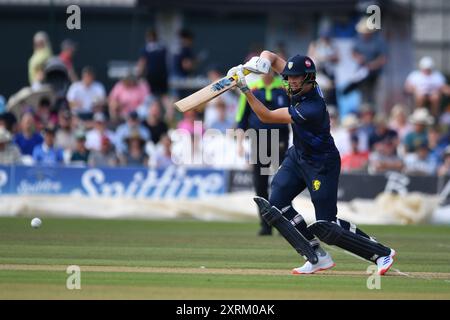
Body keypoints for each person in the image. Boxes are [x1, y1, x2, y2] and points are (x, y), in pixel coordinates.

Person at [227, 51, 395, 275]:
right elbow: (272, 57)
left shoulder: (312, 107)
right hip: (298, 156)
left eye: (297, 77)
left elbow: (266, 115)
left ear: (309, 78)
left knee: (327, 225)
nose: (292, 81)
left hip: (321, 163)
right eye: (290, 76)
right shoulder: (298, 84)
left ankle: (381, 253)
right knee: (276, 203)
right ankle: (316, 257)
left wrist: (245, 88)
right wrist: (256, 65)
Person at [235, 70, 290, 235]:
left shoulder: (283, 89)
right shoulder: (251, 90)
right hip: (258, 140)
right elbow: (241, 119)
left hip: (279, 141)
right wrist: (239, 144)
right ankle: (266, 225)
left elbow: (294, 116)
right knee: (260, 184)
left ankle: (286, 224)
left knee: (284, 183)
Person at [137, 29, 169, 98]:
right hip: (163, 75)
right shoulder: (163, 47)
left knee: (151, 96)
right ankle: (169, 109)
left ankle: (155, 108)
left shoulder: (146, 48)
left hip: (152, 76)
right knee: (164, 96)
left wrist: (139, 74)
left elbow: (142, 62)